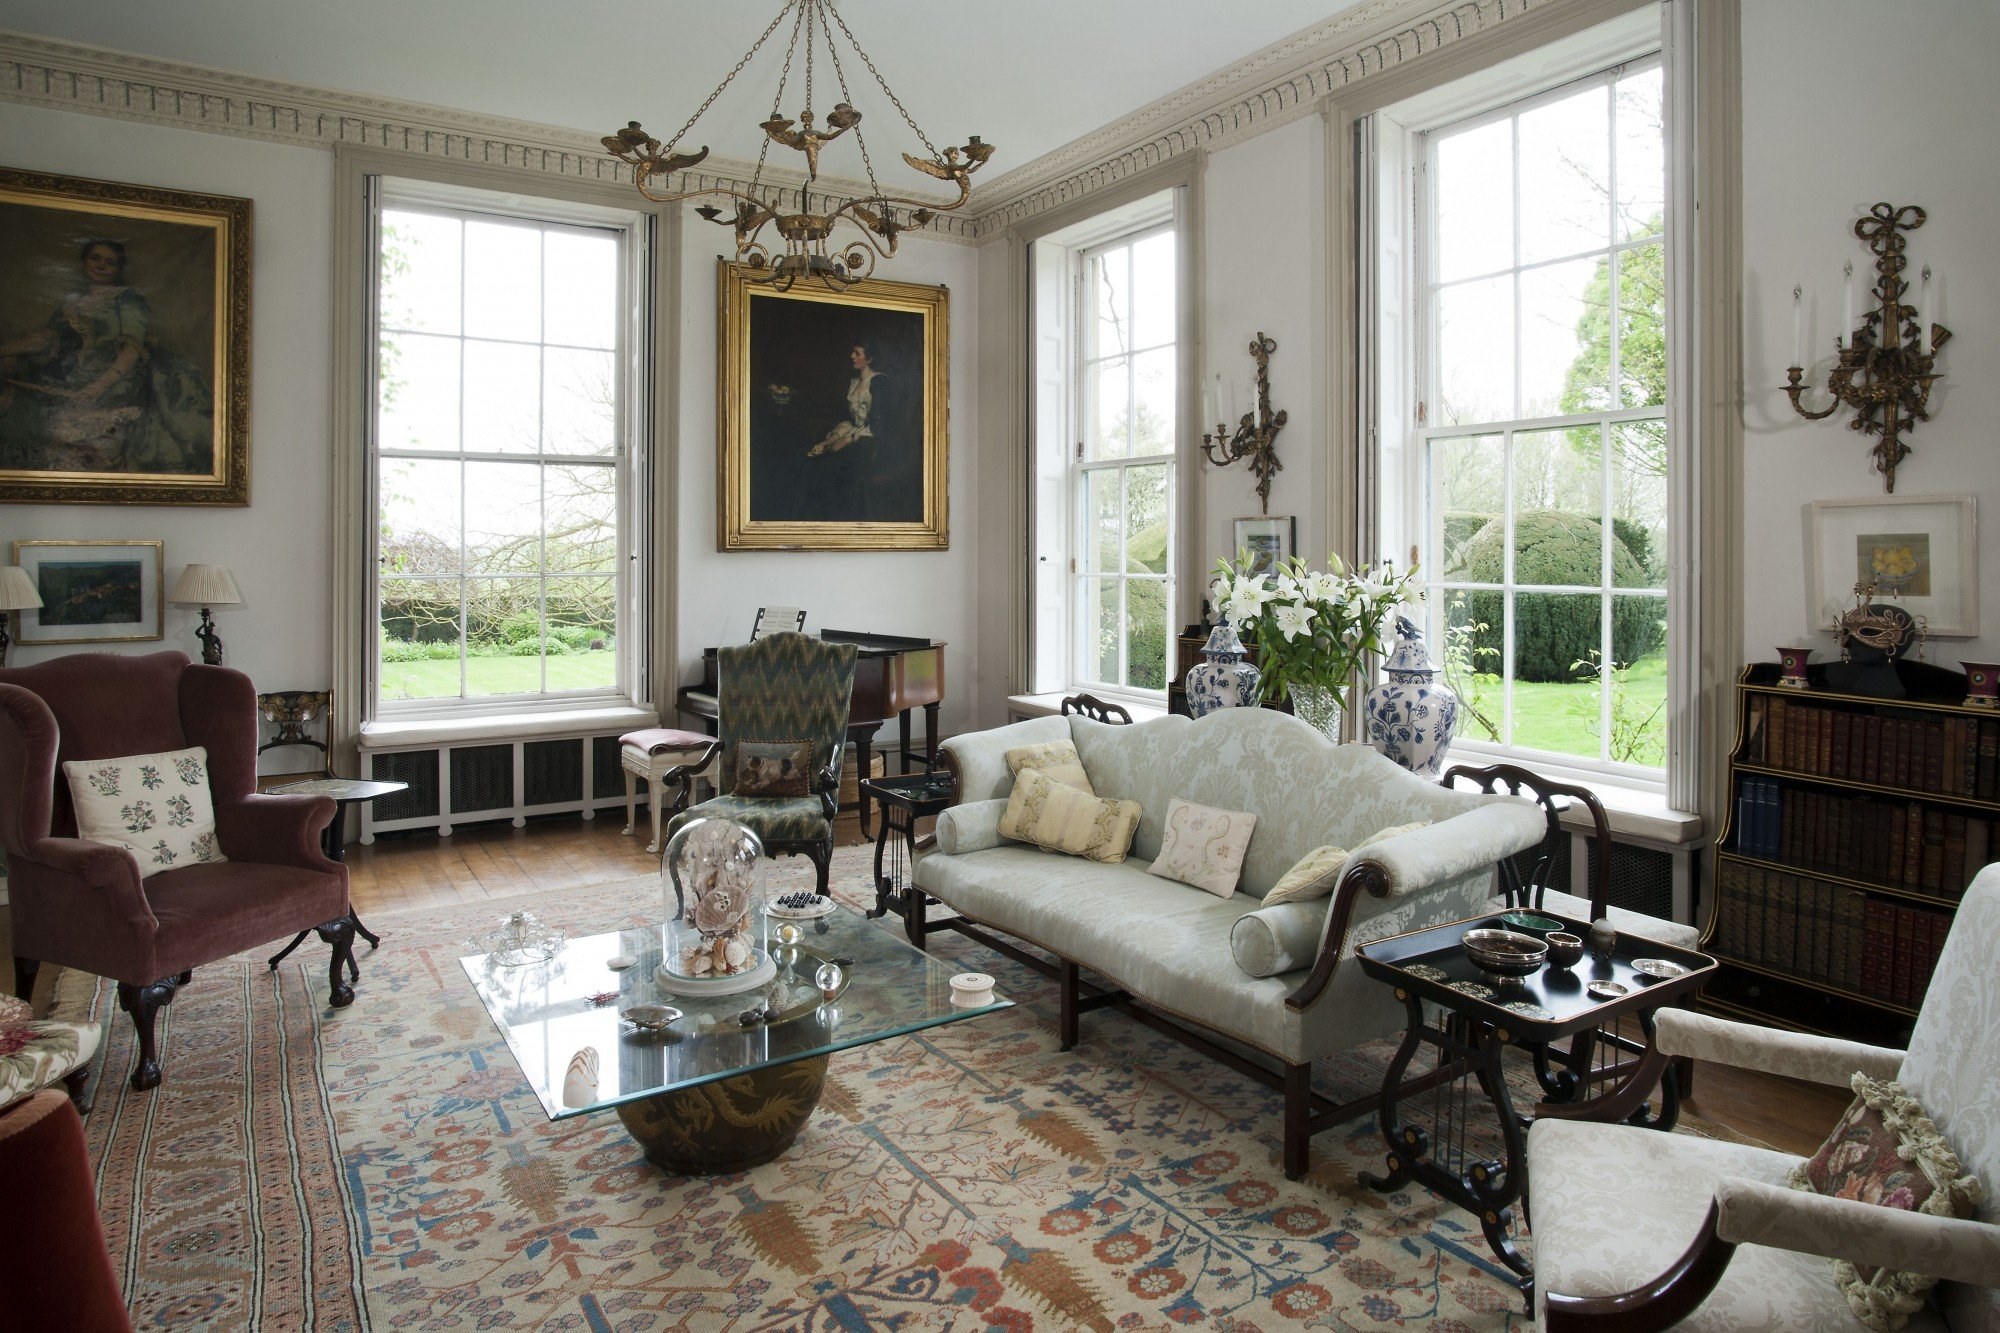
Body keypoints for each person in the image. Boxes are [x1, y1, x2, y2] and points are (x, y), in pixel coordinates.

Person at [0, 238, 212, 474]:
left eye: (110, 262)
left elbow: (132, 347)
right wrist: (7, 351)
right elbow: (47, 339)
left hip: (117, 376)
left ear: (118, 269)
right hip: (70, 375)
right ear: (84, 261)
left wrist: (97, 387)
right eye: (96, 258)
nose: (101, 266)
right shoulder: (72, 302)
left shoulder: (127, 299)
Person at [800, 337, 917, 523]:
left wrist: (847, 440)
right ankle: (816, 520)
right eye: (852, 352)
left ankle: (839, 520)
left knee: (830, 473)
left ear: (869, 358)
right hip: (854, 441)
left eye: (857, 353)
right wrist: (831, 439)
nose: (852, 356)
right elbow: (850, 420)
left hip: (872, 446)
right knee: (813, 467)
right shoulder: (854, 382)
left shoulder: (879, 383)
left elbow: (878, 426)